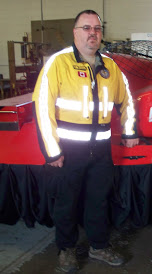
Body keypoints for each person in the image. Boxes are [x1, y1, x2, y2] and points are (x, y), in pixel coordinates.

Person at [32, 10, 139, 272]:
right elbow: (42, 108)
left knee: (98, 201)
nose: (93, 33)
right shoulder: (58, 63)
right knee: (66, 202)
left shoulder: (111, 67)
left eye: (97, 29)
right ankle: (66, 250)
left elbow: (127, 102)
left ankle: (99, 246)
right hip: (69, 151)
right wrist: (52, 151)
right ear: (75, 32)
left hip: (101, 151)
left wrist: (129, 131)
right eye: (87, 28)